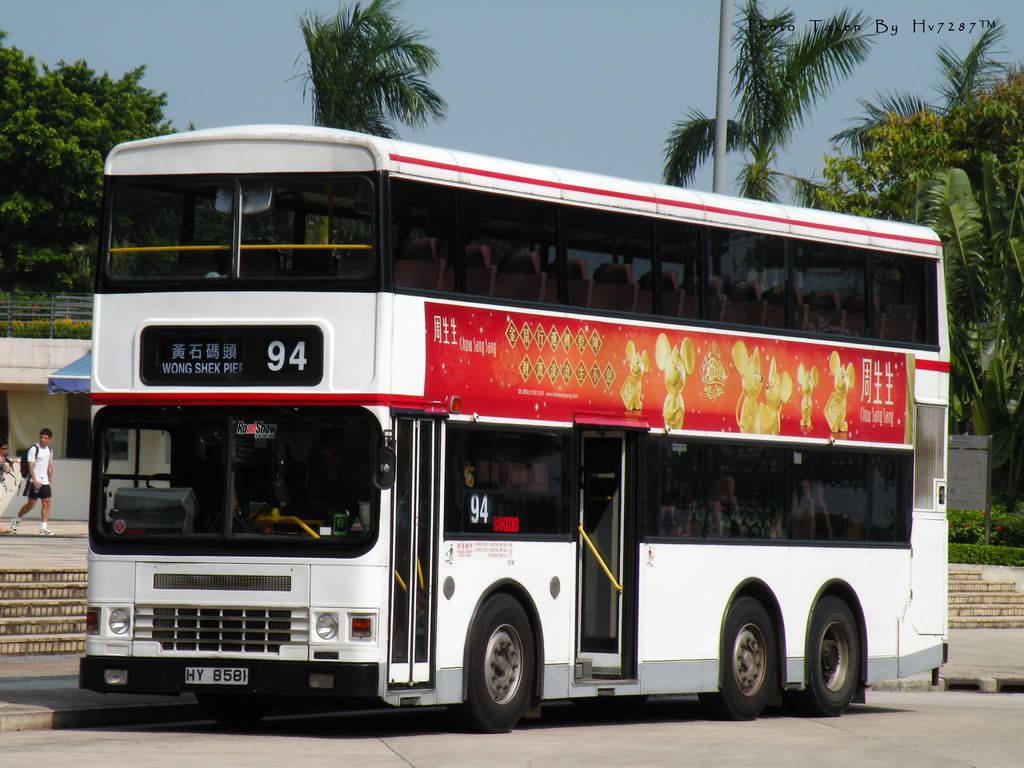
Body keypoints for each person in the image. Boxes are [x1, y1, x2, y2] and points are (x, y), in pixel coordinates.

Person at [10, 428, 56, 536]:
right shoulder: (34, 449)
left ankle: (43, 528)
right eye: (41, 437)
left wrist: (49, 480)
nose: (42, 439)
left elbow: (49, 465)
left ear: (49, 439)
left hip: (45, 482)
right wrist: (34, 480)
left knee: (46, 502)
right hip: (34, 480)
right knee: (31, 504)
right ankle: (16, 519)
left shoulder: (50, 450)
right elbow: (30, 466)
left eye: (45, 438)